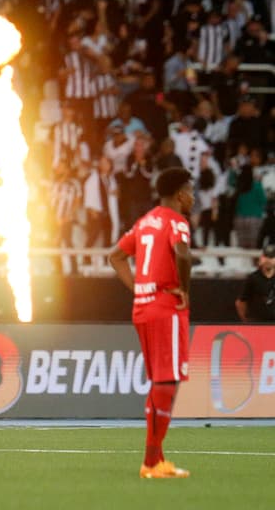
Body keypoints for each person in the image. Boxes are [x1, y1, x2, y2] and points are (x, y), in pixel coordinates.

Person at [108, 167, 194, 480]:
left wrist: (139, 287)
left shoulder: (145, 222)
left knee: (160, 381)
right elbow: (182, 255)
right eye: (191, 191)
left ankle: (156, 459)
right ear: (181, 193)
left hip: (143, 307)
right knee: (167, 381)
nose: (193, 197)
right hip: (165, 306)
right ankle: (151, 462)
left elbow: (115, 256)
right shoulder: (177, 222)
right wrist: (183, 289)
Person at [235, 245, 275, 323]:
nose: (268, 260)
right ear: (260, 258)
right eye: (265, 256)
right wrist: (246, 320)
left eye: (271, 257)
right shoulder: (253, 278)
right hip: (257, 323)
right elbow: (241, 302)